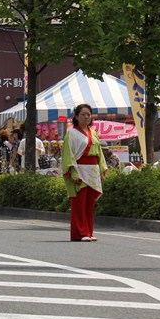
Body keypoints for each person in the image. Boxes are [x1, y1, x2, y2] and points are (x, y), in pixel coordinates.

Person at [62, 103, 108, 242]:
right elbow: (68, 155)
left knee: (90, 203)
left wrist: (102, 169)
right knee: (79, 203)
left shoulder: (93, 132)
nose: (86, 117)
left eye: (88, 114)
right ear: (76, 116)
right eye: (83, 114)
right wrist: (74, 173)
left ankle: (88, 231)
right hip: (80, 168)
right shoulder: (71, 134)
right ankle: (80, 233)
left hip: (93, 170)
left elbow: (99, 152)